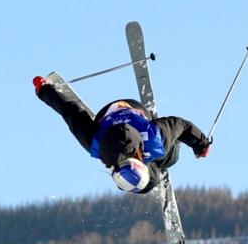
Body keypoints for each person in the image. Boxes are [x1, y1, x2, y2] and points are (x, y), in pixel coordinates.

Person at [33, 75, 212, 194]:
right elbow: (70, 111)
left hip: (136, 111)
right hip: (108, 114)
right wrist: (44, 90)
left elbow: (180, 125)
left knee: (169, 159)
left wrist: (201, 144)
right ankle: (153, 169)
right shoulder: (94, 143)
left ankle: (157, 169)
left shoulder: (154, 137)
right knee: (159, 155)